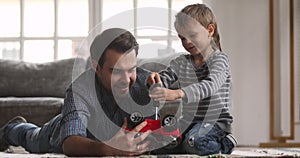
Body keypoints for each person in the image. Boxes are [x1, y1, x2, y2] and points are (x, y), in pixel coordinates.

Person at [0, 28, 157, 156]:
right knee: (30, 137)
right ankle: (13, 127)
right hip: (58, 134)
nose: (126, 79)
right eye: (116, 71)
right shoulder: (80, 90)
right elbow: (70, 143)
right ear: (97, 67)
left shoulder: (146, 82)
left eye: (131, 70)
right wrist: (109, 148)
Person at [147, 4, 237, 156]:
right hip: (188, 121)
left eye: (192, 35)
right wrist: (155, 80)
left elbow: (210, 85)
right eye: (182, 37)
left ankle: (225, 144)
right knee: (161, 144)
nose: (187, 41)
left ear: (210, 30)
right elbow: (166, 77)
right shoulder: (181, 62)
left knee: (194, 143)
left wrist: (178, 93)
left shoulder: (219, 60)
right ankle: (183, 143)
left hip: (215, 123)